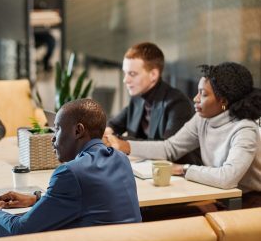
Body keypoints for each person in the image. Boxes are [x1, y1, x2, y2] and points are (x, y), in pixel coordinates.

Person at [0, 98, 142, 237]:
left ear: (78, 131)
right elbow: (90, 200)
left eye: (58, 129)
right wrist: (37, 199)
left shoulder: (71, 173)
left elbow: (21, 231)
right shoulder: (121, 158)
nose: (52, 139)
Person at [108, 62, 261, 208]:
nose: (196, 99)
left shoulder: (245, 130)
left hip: (249, 202)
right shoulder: (204, 119)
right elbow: (170, 148)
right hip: (220, 194)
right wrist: (124, 146)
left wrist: (183, 169)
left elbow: (227, 178)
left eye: (203, 94)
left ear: (223, 101)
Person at [104, 43, 199, 163]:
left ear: (153, 74)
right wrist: (106, 134)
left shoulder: (178, 103)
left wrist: (120, 142)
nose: (125, 80)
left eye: (132, 74)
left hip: (176, 174)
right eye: (125, 73)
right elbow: (114, 124)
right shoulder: (137, 98)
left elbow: (166, 148)